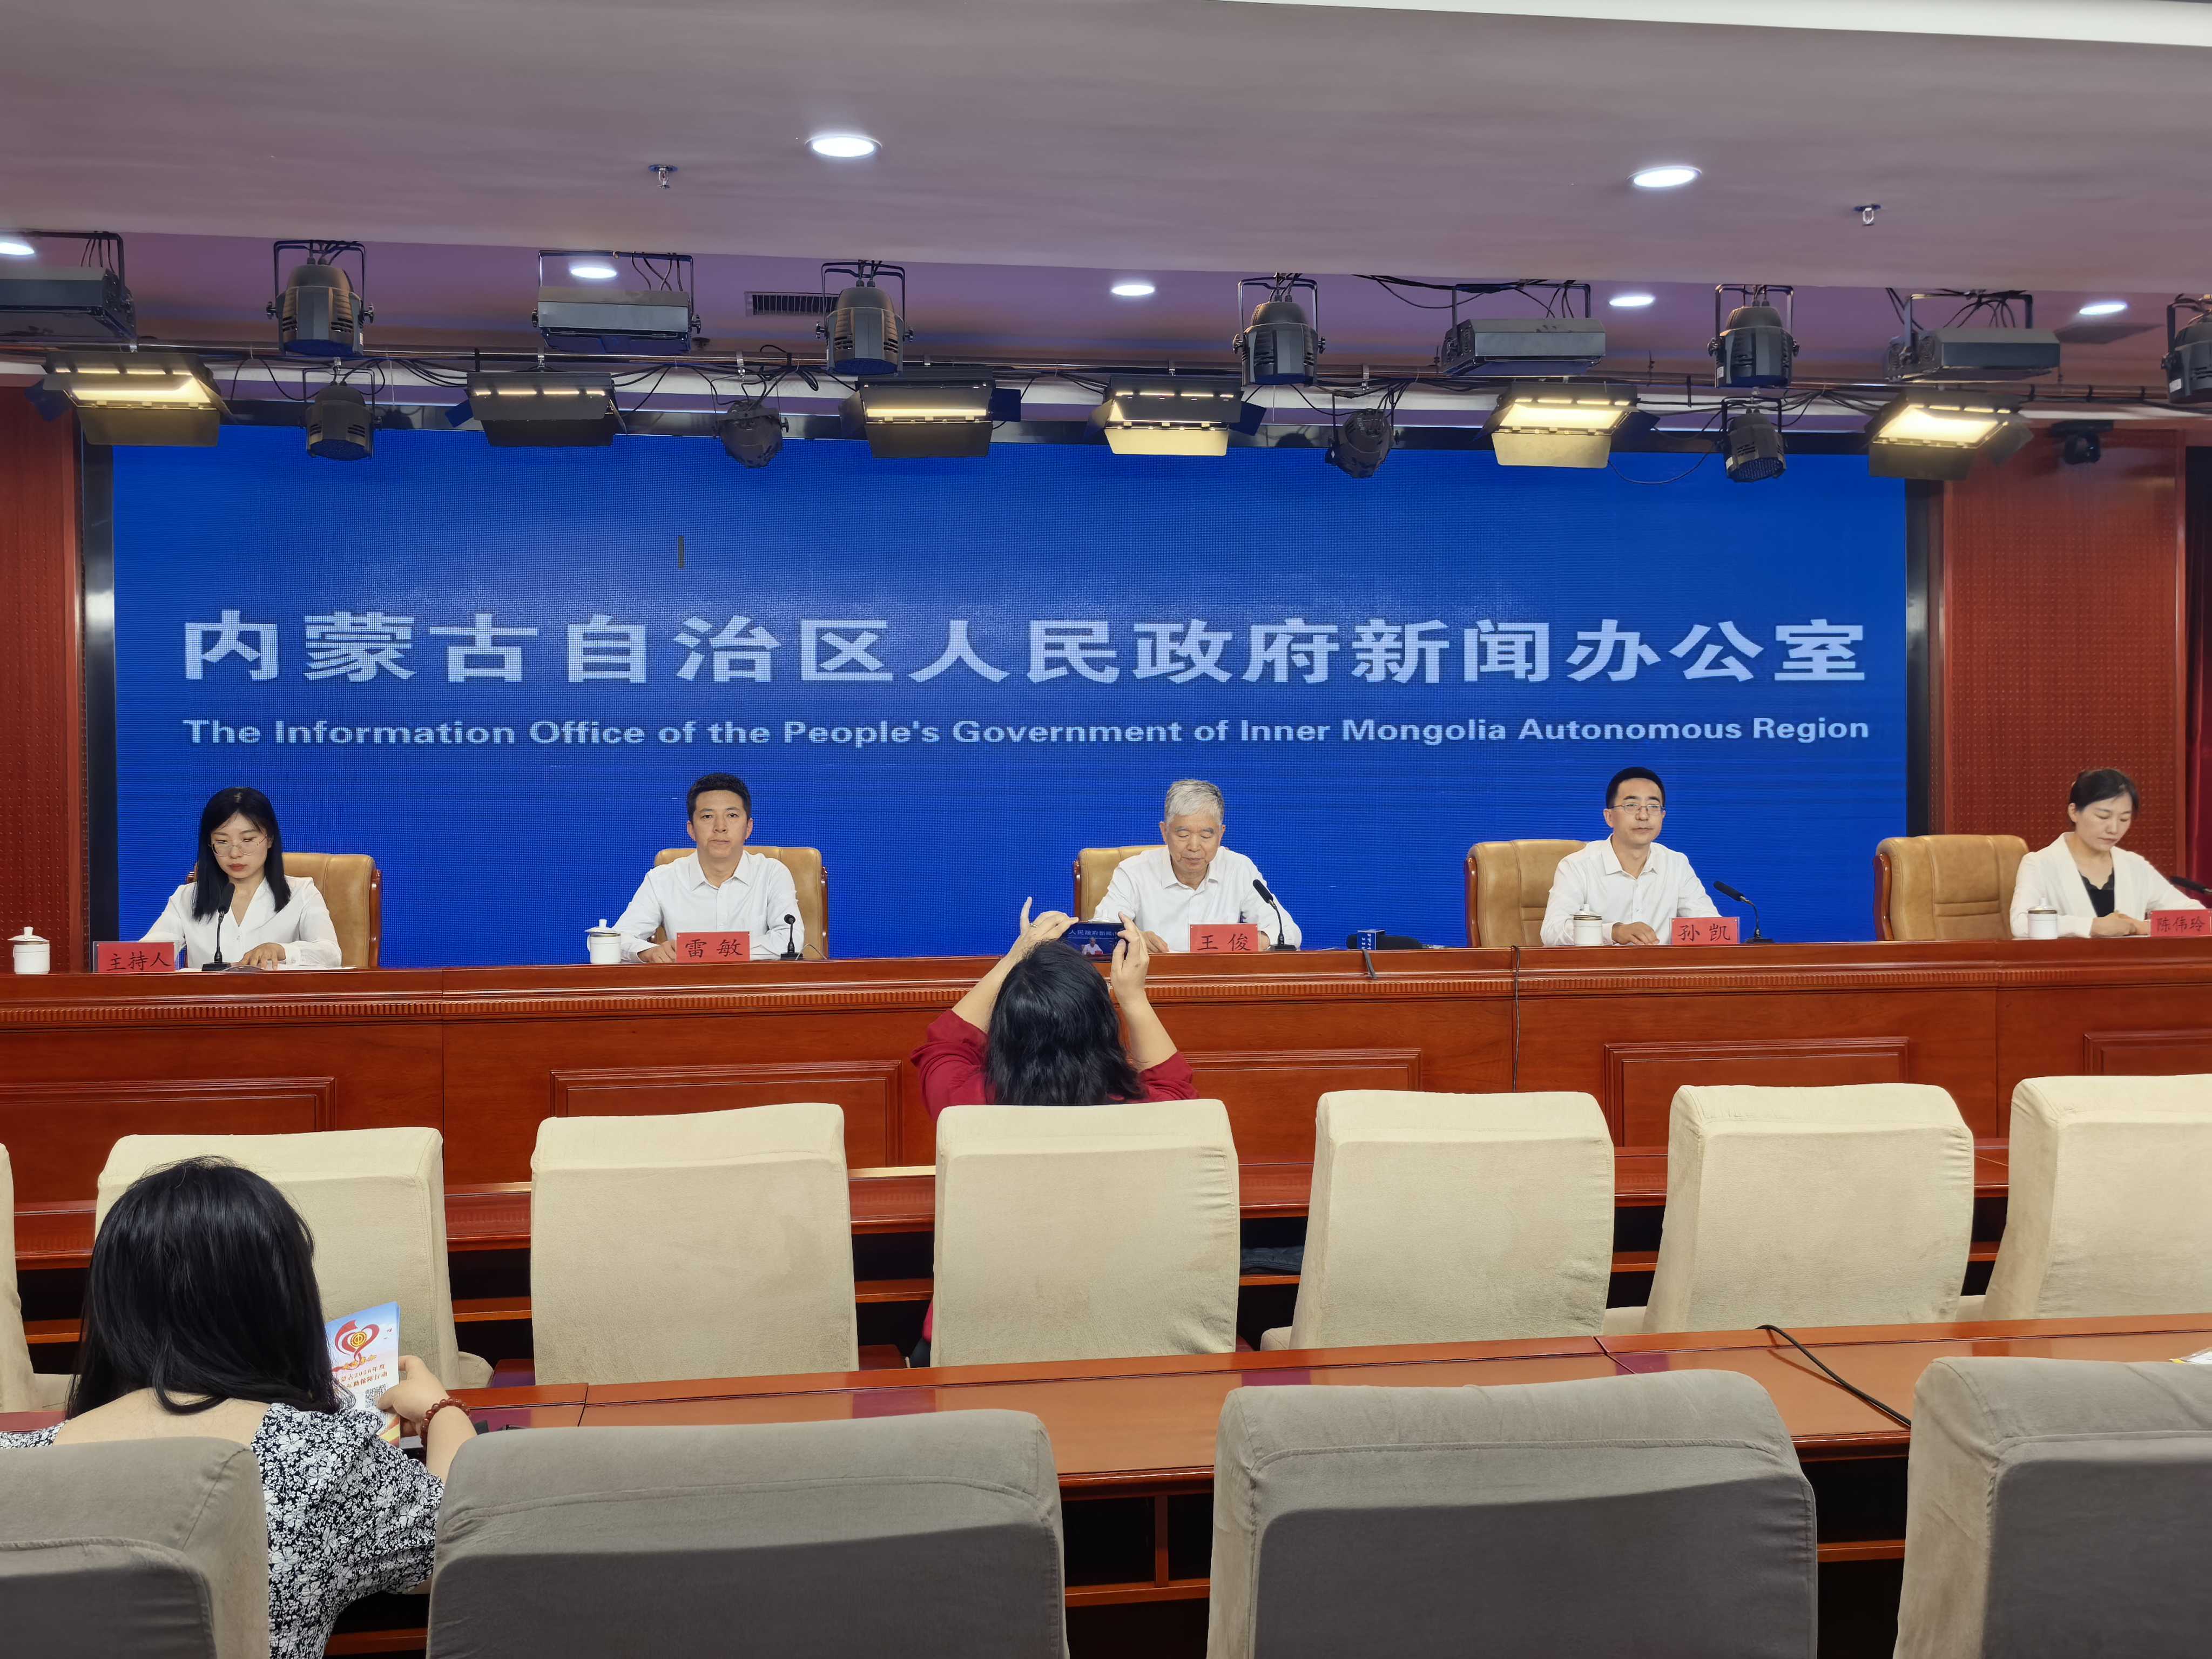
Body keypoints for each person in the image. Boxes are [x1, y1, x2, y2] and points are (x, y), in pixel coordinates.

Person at [0, 1157, 475, 1659]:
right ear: (283, 1304)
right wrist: (442, 1410)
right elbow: (458, 1539)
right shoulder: (324, 1462)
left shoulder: (12, 1466)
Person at [911, 901, 1196, 1117]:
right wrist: (1134, 997)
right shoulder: (1153, 1115)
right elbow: (1174, 1086)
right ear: (1105, 1029)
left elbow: (945, 1045)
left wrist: (1016, 957)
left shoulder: (963, 1104)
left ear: (1003, 1030)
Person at [141, 786, 342, 968]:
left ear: (270, 839)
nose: (235, 853)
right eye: (222, 842)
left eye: (248, 840)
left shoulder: (302, 893)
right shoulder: (187, 898)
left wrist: (281, 951)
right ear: (209, 844)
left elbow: (331, 955)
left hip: (275, 998)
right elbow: (146, 957)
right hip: (208, 999)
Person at [1090, 778, 1300, 952]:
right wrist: (1134, 940)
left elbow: (1288, 932)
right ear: (1164, 832)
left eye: (1206, 835)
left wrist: (1250, 942)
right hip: (1152, 980)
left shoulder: (1239, 868)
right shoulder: (1134, 872)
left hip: (1218, 982)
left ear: (1221, 834)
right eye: (1183, 834)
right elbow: (1099, 933)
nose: (1194, 846)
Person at [612, 772, 804, 961]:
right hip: (686, 982)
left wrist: (705, 950)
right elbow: (617, 940)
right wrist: (648, 952)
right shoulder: (662, 879)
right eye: (707, 816)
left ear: (748, 828)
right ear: (691, 830)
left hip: (752, 982)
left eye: (732, 815)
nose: (720, 827)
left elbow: (789, 940)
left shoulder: (771, 874)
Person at [2009, 767, 2204, 938]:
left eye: (2124, 819)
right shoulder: (2040, 864)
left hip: (2130, 966)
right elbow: (2021, 923)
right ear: (2074, 812)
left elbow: (2199, 918)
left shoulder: (2134, 866)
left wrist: (2144, 927)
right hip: (2069, 967)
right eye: (2103, 816)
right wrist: (2092, 926)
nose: (2114, 829)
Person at [1540, 766, 1721, 946]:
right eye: (1631, 806)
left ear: (1663, 816)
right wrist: (1613, 932)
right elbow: (1552, 932)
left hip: (1662, 965)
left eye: (1653, 806)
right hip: (1602, 965)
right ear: (1609, 817)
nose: (1643, 815)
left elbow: (1709, 925)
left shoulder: (1676, 864)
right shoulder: (1577, 866)